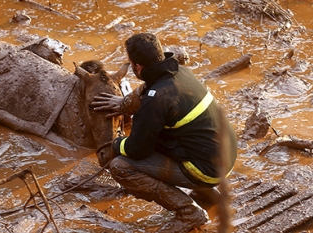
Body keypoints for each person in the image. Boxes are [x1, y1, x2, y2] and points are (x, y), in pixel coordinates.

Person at [91, 33, 237, 233]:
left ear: (138, 67)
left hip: (205, 169)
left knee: (121, 165)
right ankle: (208, 194)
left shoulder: (156, 99)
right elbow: (146, 90)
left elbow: (137, 149)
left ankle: (188, 212)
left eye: (132, 64)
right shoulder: (179, 73)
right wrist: (124, 104)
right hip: (224, 158)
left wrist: (115, 144)